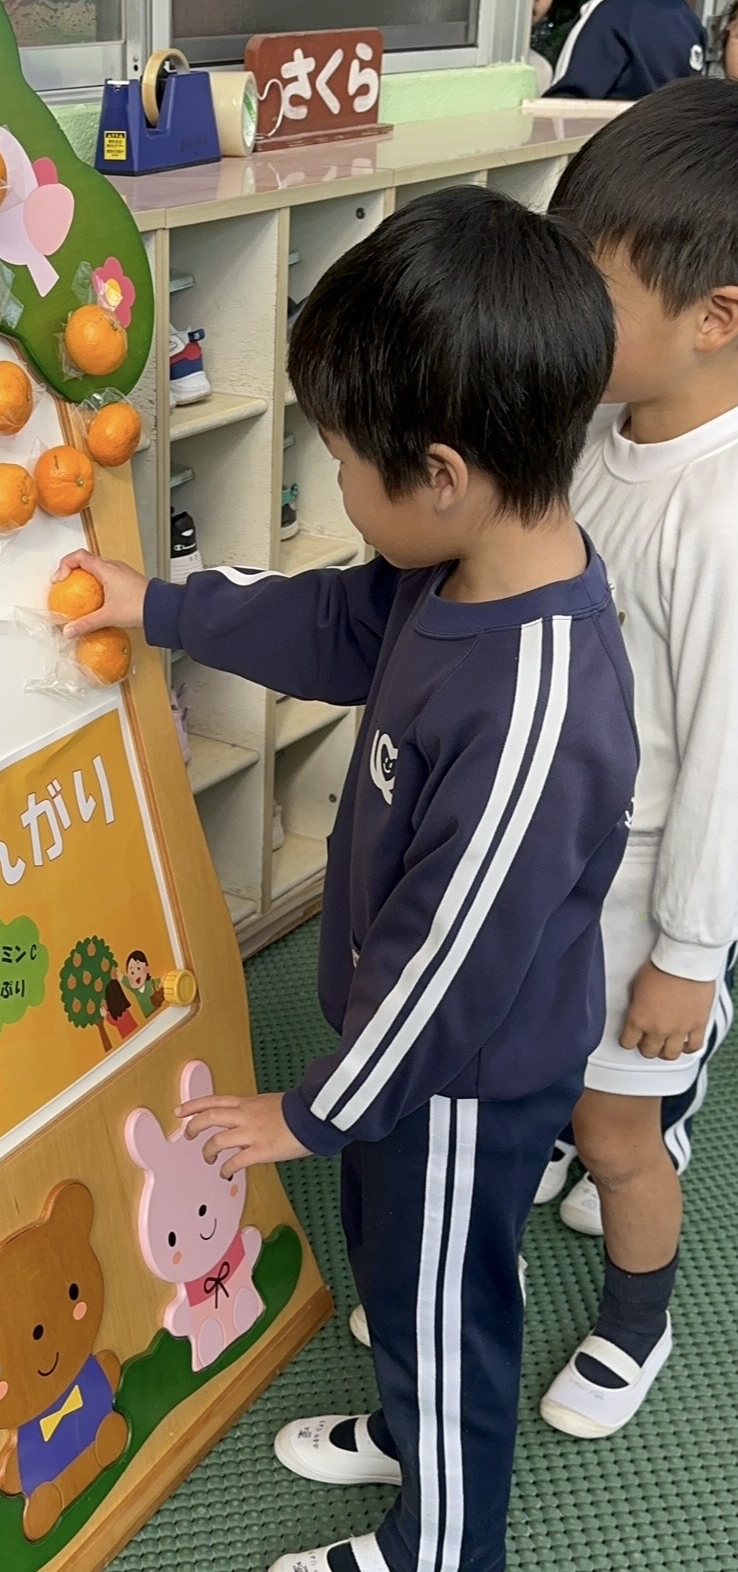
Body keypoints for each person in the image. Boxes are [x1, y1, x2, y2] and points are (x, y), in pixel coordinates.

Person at [53, 185, 638, 1572]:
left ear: (438, 473)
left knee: (442, 1306)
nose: (336, 493)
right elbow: (329, 622)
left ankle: (441, 1544)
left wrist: (311, 1110)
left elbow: (451, 961)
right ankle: (409, 1428)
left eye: (340, 466)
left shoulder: (534, 705)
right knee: (395, 1267)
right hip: (398, 1061)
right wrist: (164, 608)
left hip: (457, 1082)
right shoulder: (451, 570)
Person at [529, 76, 738, 1440]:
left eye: (588, 294)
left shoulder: (717, 518)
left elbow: (726, 762)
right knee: (542, 1077)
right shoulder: (603, 435)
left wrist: (686, 956)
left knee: (617, 1132)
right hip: (556, 864)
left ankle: (635, 1319)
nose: (558, 315)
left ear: (713, 319)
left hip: (642, 893)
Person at [545, 0, 705, 98]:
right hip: (664, 139)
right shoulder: (690, 21)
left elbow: (565, 104)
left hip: (618, 139)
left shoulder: (612, 11)